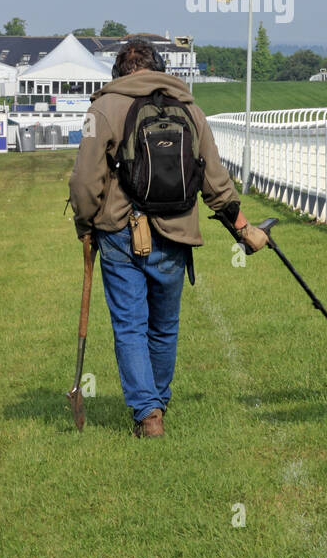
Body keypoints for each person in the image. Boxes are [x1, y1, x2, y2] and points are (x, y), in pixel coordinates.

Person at [68, 37, 269, 439]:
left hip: (120, 232)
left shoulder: (103, 108)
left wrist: (84, 223)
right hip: (177, 231)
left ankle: (148, 414)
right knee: (164, 326)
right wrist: (243, 229)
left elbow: (85, 180)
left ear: (118, 72)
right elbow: (216, 180)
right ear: (159, 67)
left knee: (130, 326)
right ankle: (156, 401)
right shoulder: (190, 107)